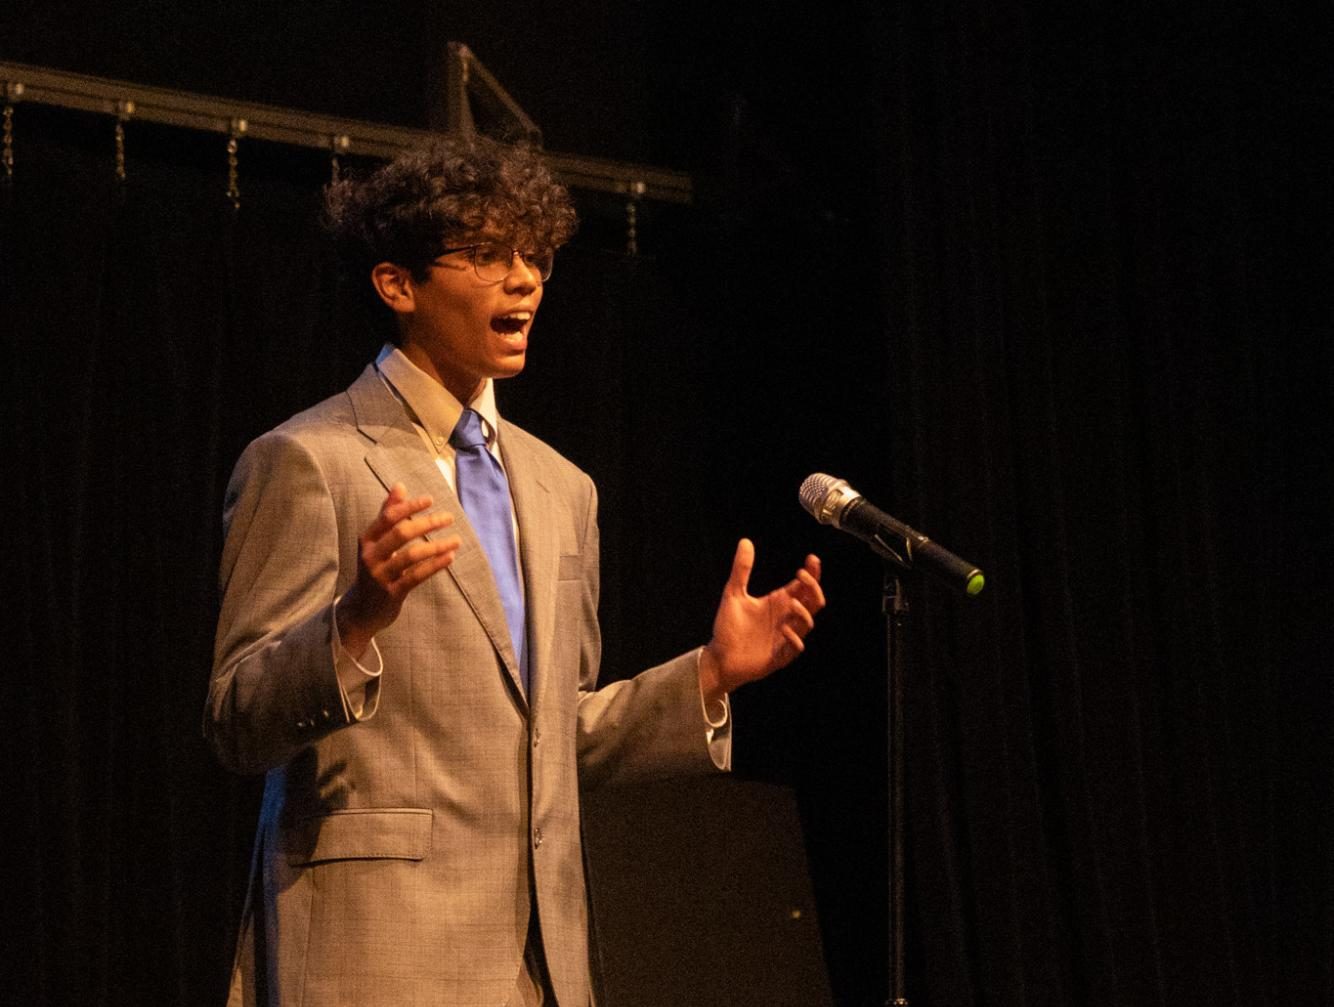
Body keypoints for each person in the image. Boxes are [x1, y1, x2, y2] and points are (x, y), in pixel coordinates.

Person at [204, 135, 825, 1007]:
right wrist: (354, 620)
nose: (526, 280)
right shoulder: (310, 460)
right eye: (488, 257)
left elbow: (548, 736)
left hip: (537, 965)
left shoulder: (561, 488)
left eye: (533, 256)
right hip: (373, 954)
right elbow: (236, 717)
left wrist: (710, 676)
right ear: (399, 284)